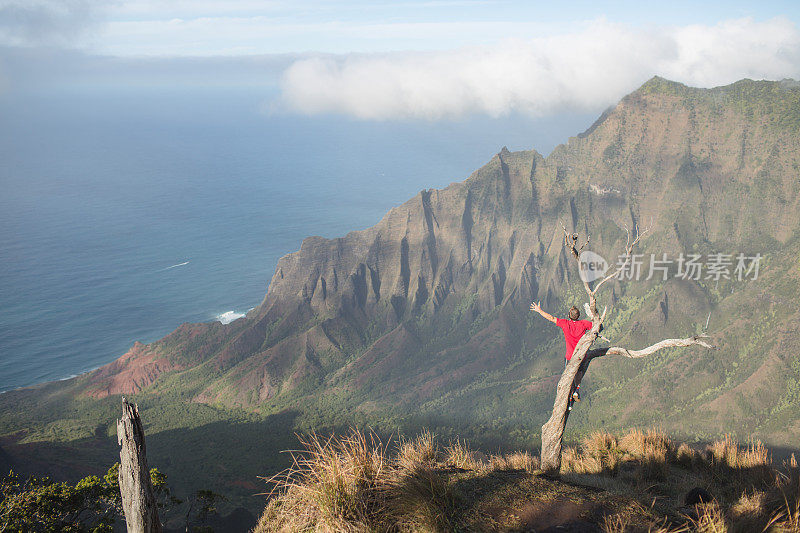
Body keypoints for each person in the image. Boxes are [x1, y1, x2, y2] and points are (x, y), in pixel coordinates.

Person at [529, 301, 593, 410]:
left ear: (569, 316)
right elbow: (597, 325)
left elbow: (551, 318)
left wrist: (539, 310)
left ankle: (569, 403)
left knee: (568, 379)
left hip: (570, 358)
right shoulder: (584, 324)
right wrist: (592, 313)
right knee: (580, 373)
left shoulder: (565, 323)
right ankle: (577, 389)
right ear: (578, 316)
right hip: (582, 356)